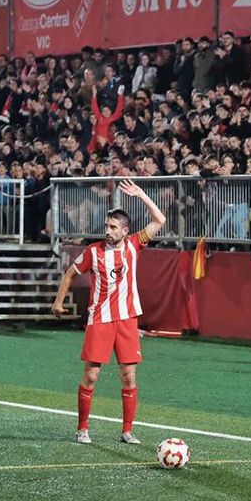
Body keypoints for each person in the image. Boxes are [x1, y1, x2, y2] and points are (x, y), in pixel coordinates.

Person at [51, 179, 166, 444]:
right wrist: (58, 302)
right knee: (91, 376)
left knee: (128, 375)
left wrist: (141, 195)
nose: (108, 230)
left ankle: (127, 431)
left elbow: (160, 219)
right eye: (106, 226)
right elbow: (69, 274)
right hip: (100, 319)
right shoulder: (93, 251)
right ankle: (82, 429)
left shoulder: (135, 244)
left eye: (113, 227)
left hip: (127, 319)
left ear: (125, 231)